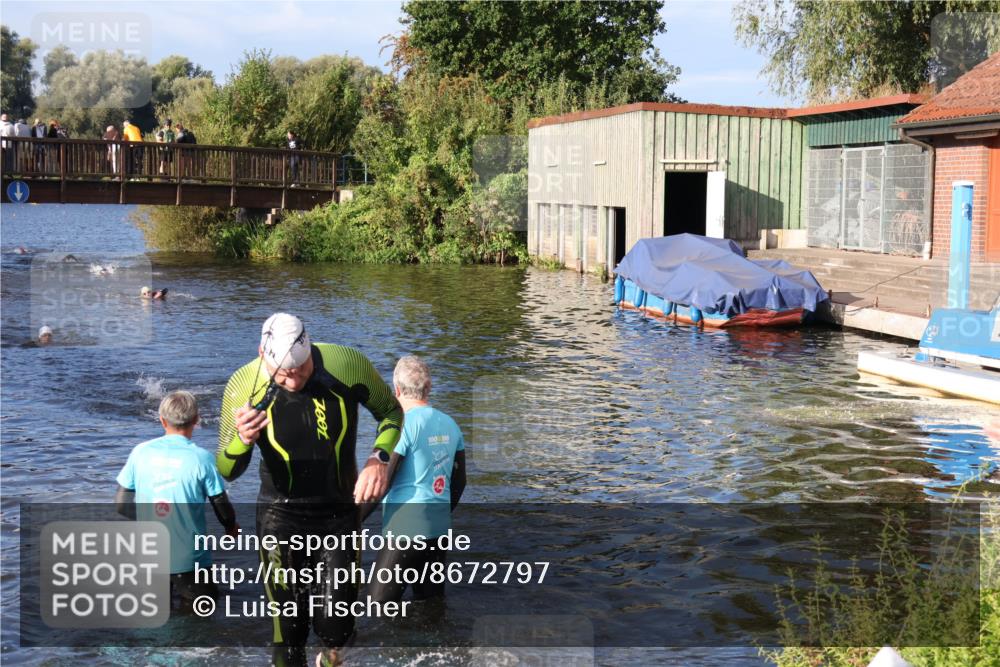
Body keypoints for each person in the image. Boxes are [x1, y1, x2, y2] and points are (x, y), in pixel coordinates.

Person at [216, 313, 403, 667]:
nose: (293, 378)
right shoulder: (243, 385)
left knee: (336, 627)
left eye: (301, 368)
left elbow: (392, 413)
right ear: (262, 353)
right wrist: (241, 441)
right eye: (282, 371)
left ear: (309, 347)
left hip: (338, 516)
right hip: (279, 517)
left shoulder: (346, 364)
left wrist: (378, 457)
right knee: (288, 631)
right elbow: (226, 470)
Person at [115, 391, 239, 608]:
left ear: (162, 421)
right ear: (196, 420)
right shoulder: (202, 458)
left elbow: (121, 505)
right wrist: (231, 527)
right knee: (202, 620)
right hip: (190, 560)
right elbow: (221, 504)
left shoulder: (140, 452)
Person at [366, 355, 466, 605]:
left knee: (377, 606)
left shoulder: (401, 425)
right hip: (438, 528)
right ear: (428, 388)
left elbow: (383, 481)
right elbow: (460, 481)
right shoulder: (451, 424)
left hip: (405, 529)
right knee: (429, 604)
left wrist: (351, 521)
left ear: (396, 390)